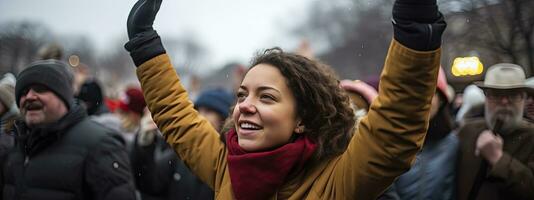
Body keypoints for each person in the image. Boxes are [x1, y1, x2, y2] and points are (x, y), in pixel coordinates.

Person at [124, 0, 446, 199]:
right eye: (242, 94)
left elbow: (395, 129)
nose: (245, 105)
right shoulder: (227, 167)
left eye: (267, 97)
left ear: (303, 118)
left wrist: (415, 27)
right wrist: (145, 45)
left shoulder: (337, 180)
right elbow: (179, 119)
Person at [2, 60, 136, 199]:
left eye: (40, 89)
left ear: (63, 96)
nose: (29, 97)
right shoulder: (13, 143)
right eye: (23, 92)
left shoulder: (101, 144)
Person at [130, 88, 233, 200]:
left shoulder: (231, 162)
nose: (200, 116)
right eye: (197, 111)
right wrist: (145, 145)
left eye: (208, 111)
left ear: (224, 119)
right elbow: (149, 183)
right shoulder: (180, 154)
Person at [456, 63, 534, 200]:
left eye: (513, 95)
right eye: (496, 94)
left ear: (524, 99)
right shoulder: (467, 132)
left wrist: (498, 158)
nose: (504, 102)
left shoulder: (531, 137)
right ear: (485, 98)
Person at [379, 68, 458, 200]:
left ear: (441, 100)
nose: (421, 100)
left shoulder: (456, 144)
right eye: (413, 93)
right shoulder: (387, 145)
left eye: (429, 93)